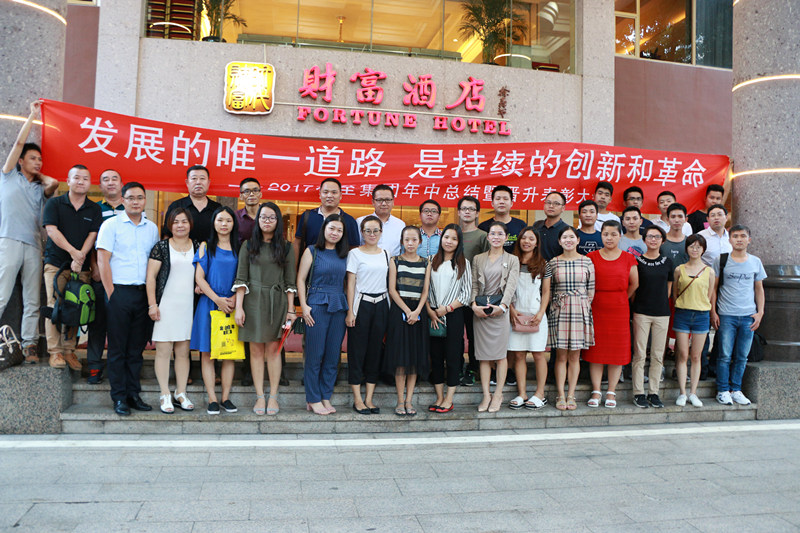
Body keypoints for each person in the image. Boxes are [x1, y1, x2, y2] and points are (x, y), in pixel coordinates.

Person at [0, 101, 58, 365]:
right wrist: (32, 115)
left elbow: (53, 183)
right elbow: (18, 144)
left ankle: (30, 345)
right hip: (9, 240)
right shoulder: (8, 176)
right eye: (33, 158)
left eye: (40, 159)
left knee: (32, 298)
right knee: (2, 293)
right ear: (20, 160)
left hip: (34, 245)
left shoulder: (40, 188)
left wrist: (40, 174)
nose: (38, 162)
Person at [95, 182, 159, 416]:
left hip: (142, 294)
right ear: (122, 200)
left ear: (144, 201)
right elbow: (103, 260)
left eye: (140, 198)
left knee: (136, 349)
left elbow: (154, 262)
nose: (135, 202)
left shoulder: (152, 228)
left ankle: (133, 394)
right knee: (117, 349)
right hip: (119, 293)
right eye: (130, 198)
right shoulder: (110, 225)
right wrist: (111, 293)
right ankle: (119, 397)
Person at [234, 202, 296, 415]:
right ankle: (260, 396)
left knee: (274, 350)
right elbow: (241, 278)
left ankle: (273, 396)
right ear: (257, 220)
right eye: (263, 217)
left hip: (276, 301)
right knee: (255, 350)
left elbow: (290, 282)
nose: (267, 221)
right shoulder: (248, 245)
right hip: (252, 301)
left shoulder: (286, 247)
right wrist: (239, 308)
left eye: (271, 217)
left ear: (278, 221)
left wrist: (291, 310)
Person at [41, 164, 102, 370]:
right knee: (54, 306)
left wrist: (81, 256)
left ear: (89, 183)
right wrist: (74, 253)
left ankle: (69, 350)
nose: (81, 181)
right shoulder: (55, 203)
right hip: (56, 264)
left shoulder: (94, 209)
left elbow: (93, 235)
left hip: (81, 268)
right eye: (76, 177)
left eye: (85, 178)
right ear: (68, 181)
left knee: (77, 306)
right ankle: (55, 351)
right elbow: (52, 231)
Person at [146, 208, 199, 414]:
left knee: (183, 353)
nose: (180, 225)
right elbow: (151, 277)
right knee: (163, 351)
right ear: (170, 224)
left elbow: (202, 274)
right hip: (165, 305)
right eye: (176, 222)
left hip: (187, 306)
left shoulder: (198, 246)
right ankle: (164, 393)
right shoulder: (161, 247)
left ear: (190, 224)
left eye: (184, 221)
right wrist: (152, 305)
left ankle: (181, 392)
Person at [296, 214, 348, 415]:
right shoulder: (312, 251)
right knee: (315, 354)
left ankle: (326, 395)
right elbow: (300, 279)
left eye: (339, 230)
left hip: (339, 305)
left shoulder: (345, 254)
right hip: (316, 305)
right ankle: (313, 398)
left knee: (333, 355)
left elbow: (348, 282)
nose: (335, 233)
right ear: (324, 229)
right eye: (332, 228)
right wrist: (304, 306)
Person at [583, 220, 638, 409]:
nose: (609, 238)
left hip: (619, 309)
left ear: (620, 236)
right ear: (601, 235)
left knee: (617, 351)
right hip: (596, 307)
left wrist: (621, 297)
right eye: (605, 234)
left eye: (614, 234)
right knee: (596, 351)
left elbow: (635, 283)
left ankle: (611, 391)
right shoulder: (591, 257)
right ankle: (596, 390)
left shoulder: (628, 258)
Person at [192, 206, 240, 415]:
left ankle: (225, 397)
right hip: (210, 304)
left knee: (229, 354)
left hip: (231, 304)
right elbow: (199, 278)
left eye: (228, 220)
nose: (224, 224)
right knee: (208, 354)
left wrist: (234, 299)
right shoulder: (205, 246)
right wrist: (217, 299)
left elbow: (243, 278)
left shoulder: (240, 248)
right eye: (220, 220)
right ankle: (212, 398)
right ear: (213, 222)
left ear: (233, 224)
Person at [711, 225, 766, 406]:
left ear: (749, 240)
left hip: (748, 315)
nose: (739, 239)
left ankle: (736, 389)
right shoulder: (721, 260)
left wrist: (760, 313)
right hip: (726, 315)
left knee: (742, 356)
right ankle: (722, 390)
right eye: (735, 236)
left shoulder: (756, 261)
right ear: (730, 240)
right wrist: (713, 312)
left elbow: (759, 289)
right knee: (724, 356)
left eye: (743, 236)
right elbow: (713, 288)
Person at [471, 221, 520, 412]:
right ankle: (486, 395)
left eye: (500, 234)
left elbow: (511, 286)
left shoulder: (513, 259)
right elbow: (474, 284)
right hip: (481, 311)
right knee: (483, 357)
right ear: (488, 236)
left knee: (500, 356)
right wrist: (473, 305)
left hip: (500, 312)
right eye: (493, 233)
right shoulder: (478, 259)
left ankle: (498, 394)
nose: (496, 237)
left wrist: (503, 306)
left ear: (506, 238)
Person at [385, 226, 431, 416]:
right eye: (407, 240)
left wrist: (417, 311)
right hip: (399, 311)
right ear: (402, 242)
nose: (410, 243)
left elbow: (425, 290)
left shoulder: (426, 262)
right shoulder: (395, 260)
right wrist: (407, 311)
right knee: (400, 359)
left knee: (415, 358)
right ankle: (400, 400)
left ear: (420, 242)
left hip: (419, 312)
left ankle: (409, 400)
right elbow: (392, 289)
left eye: (414, 240)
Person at [345, 216, 390, 414]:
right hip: (361, 304)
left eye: (376, 230)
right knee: (357, 351)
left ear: (381, 232)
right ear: (362, 233)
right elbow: (351, 284)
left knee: (375, 351)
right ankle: (357, 399)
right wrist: (350, 311)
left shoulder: (386, 254)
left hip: (381, 304)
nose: (372, 234)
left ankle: (369, 399)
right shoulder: (354, 253)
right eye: (368, 230)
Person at [426, 224, 472, 413]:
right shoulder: (430, 260)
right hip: (433, 315)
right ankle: (439, 397)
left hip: (453, 315)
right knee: (436, 357)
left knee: (453, 357)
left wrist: (447, 308)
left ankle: (449, 398)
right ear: (441, 238)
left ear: (459, 242)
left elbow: (467, 293)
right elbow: (425, 289)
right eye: (446, 237)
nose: (449, 241)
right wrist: (430, 311)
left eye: (454, 238)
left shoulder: (463, 263)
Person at [548, 226, 595, 410]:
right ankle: (560, 394)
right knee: (560, 356)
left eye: (571, 237)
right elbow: (549, 290)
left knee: (575, 356)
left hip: (580, 309)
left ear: (578, 240)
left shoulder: (587, 261)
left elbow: (591, 290)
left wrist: (582, 304)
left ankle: (571, 395)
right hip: (560, 309)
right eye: (565, 237)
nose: (568, 240)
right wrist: (556, 305)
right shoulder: (553, 262)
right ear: (559, 241)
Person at [86, 169, 125, 383]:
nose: (110, 183)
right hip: (100, 275)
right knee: (98, 322)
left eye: (114, 179)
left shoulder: (131, 209)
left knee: (121, 325)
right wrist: (94, 267)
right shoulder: (95, 209)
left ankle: (118, 369)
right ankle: (94, 367)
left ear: (121, 184)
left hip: (124, 278)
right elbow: (91, 241)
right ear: (100, 186)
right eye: (105, 180)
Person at [507, 227, 551, 410]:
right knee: (518, 354)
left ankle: (540, 394)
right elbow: (504, 288)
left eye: (531, 239)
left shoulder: (543, 264)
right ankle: (522, 393)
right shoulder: (511, 261)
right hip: (516, 314)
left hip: (536, 314)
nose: (527, 241)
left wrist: (540, 313)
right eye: (524, 238)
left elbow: (546, 291)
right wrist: (511, 310)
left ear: (537, 243)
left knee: (539, 354)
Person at [631, 226, 673, 409]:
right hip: (641, 311)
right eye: (650, 236)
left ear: (662, 240)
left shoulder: (668, 262)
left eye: (657, 237)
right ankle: (638, 392)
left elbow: (669, 289)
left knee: (657, 355)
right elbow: (634, 287)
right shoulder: (637, 261)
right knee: (640, 354)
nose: (653, 240)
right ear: (644, 239)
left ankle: (654, 392)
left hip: (662, 313)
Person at [672, 234, 715, 407]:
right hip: (682, 313)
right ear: (686, 248)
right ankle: (682, 392)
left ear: (703, 249)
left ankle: (693, 392)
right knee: (683, 354)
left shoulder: (709, 271)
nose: (695, 249)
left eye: (698, 246)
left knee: (696, 355)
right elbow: (675, 293)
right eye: (691, 246)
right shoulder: (679, 269)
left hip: (701, 315)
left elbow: (709, 295)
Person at [457, 195, 489, 386]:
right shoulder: (453, 233)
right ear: (459, 212)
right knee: (455, 335)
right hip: (453, 294)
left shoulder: (483, 236)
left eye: (471, 209)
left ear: (477, 213)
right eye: (464, 209)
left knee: (473, 333)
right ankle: (457, 365)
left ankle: (472, 368)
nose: (467, 212)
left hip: (474, 294)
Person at [294, 177, 360, 260]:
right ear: (320, 194)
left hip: (338, 266)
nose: (329, 195)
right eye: (325, 192)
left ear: (340, 195)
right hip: (309, 265)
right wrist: (294, 267)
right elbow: (297, 243)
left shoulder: (349, 221)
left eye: (334, 192)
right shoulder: (308, 216)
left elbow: (353, 249)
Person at [162, 165, 222, 241]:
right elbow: (167, 235)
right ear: (187, 182)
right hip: (182, 248)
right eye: (194, 178)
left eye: (202, 178)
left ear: (208, 182)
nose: (198, 182)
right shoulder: (176, 206)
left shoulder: (217, 208)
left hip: (210, 249)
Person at [356, 185, 404, 255]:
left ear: (393, 202)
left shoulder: (400, 224)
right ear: (373, 202)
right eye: (379, 200)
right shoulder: (360, 221)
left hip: (392, 261)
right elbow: (356, 246)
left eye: (387, 200)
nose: (384, 204)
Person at [478, 185, 526, 253]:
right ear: (492, 203)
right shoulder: (483, 227)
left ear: (511, 203)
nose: (501, 202)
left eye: (505, 199)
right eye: (498, 199)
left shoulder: (521, 225)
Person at [532, 191, 567, 260]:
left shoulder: (566, 230)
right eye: (548, 202)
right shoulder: (536, 225)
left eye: (556, 203)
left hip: (556, 266)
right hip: (535, 266)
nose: (551, 206)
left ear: (563, 208)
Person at [660, 203, 690, 267]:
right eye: (673, 217)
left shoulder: (689, 242)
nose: (676, 220)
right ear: (667, 219)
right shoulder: (660, 241)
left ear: (686, 219)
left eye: (680, 216)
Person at [236, 177, 261, 245]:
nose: (252, 194)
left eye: (255, 190)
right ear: (241, 196)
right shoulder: (235, 217)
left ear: (260, 194)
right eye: (247, 191)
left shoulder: (268, 215)